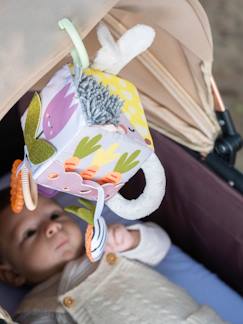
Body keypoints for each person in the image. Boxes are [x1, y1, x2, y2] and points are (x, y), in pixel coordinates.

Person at [0, 188, 225, 323]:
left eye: (55, 215)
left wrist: (132, 239)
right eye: (29, 233)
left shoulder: (107, 244)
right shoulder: (32, 308)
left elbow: (160, 248)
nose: (52, 228)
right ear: (12, 275)